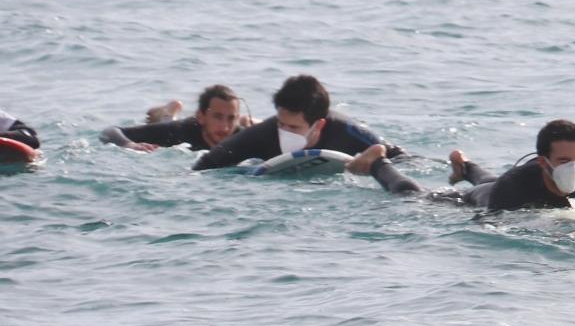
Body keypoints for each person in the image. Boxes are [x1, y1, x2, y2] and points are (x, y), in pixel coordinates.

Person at [193, 73, 420, 193]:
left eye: (293, 128)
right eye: (281, 124)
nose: (283, 132)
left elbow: (403, 159)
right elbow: (206, 165)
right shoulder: (262, 134)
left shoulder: (347, 131)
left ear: (319, 126)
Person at [446, 119, 575, 211]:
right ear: (542, 161)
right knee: (484, 186)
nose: (573, 168)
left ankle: (463, 164)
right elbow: (490, 225)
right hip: (484, 196)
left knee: (489, 179)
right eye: (563, 161)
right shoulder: (512, 185)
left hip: (501, 182)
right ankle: (464, 167)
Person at [100, 84, 247, 152]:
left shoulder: (241, 137)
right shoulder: (181, 131)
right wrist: (129, 145)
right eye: (217, 117)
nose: (225, 127)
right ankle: (168, 111)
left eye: (231, 118)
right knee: (168, 123)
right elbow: (109, 132)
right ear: (201, 116)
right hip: (175, 129)